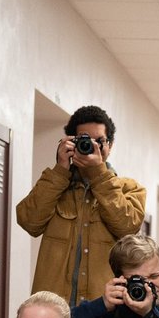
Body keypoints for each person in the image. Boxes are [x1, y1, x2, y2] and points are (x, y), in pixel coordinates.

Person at [16, 105, 147, 306]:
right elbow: (28, 221)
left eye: (99, 141)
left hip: (103, 311)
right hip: (55, 311)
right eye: (84, 140)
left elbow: (127, 226)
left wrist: (98, 174)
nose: (92, 146)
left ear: (110, 146)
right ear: (70, 142)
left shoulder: (130, 189)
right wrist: (60, 169)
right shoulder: (55, 184)